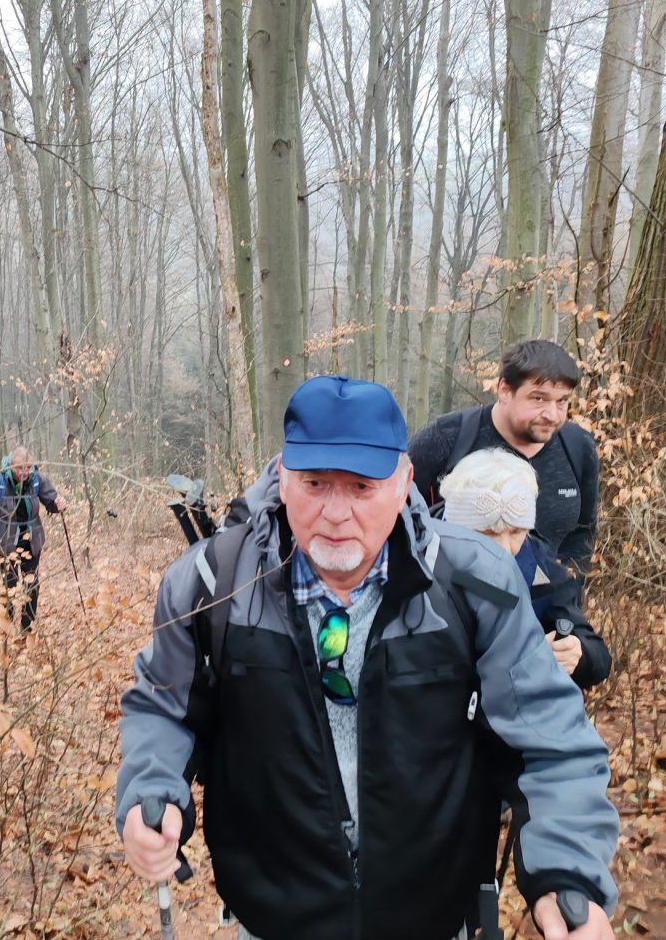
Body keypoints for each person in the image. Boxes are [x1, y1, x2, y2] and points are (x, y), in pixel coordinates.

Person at [116, 375, 618, 940]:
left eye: (361, 487)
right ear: (282, 479)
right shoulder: (214, 583)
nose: (334, 513)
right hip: (275, 916)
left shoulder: (476, 582)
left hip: (431, 913)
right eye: (314, 484)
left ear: (404, 481)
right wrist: (150, 792)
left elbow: (552, 737)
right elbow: (163, 707)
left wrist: (566, 869)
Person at [408, 340, 599, 575]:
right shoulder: (447, 438)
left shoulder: (578, 446)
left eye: (562, 401)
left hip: (543, 605)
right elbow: (397, 515)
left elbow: (583, 530)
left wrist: (567, 594)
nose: (552, 414)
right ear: (504, 390)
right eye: (538, 398)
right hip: (450, 602)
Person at [439, 448, 611, 689]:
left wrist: (578, 654)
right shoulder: (415, 557)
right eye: (488, 533)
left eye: (516, 532)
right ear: (456, 526)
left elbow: (597, 655)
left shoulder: (538, 560)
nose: (506, 548)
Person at [0, 447, 65, 633]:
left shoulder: (38, 479)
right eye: (20, 469)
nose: (25, 472)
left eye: (28, 468)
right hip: (3, 540)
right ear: (10, 465)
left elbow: (51, 502)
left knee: (32, 583)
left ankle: (27, 627)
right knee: (10, 584)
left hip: (32, 539)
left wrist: (59, 504)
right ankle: (8, 624)